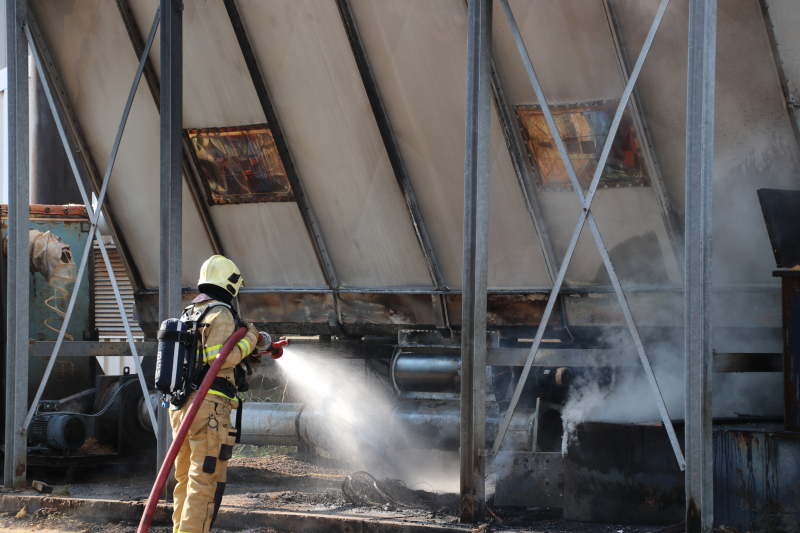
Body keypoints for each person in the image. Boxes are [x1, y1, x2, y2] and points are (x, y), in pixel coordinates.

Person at [170, 255, 271, 533]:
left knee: (185, 480)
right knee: (204, 480)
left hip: (181, 406)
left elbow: (204, 357)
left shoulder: (190, 312)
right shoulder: (221, 314)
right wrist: (251, 336)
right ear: (231, 285)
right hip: (208, 407)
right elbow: (222, 359)